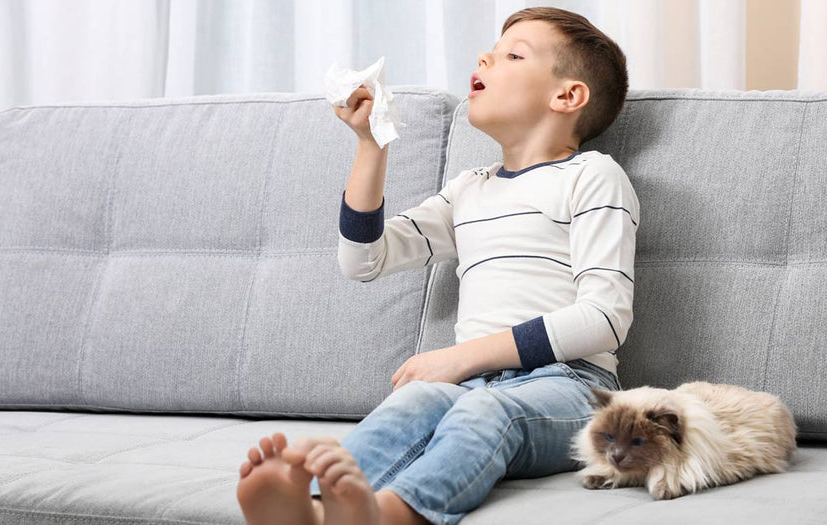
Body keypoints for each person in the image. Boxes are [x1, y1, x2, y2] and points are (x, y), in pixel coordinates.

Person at [236, 7, 636, 525]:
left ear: (567, 96)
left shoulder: (593, 175)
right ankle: (313, 509)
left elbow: (604, 317)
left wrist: (461, 357)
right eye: (492, 50)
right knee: (416, 401)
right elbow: (364, 258)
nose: (485, 58)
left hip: (573, 386)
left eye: (514, 54)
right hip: (472, 382)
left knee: (482, 411)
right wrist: (370, 145)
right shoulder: (470, 189)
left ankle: (389, 515)